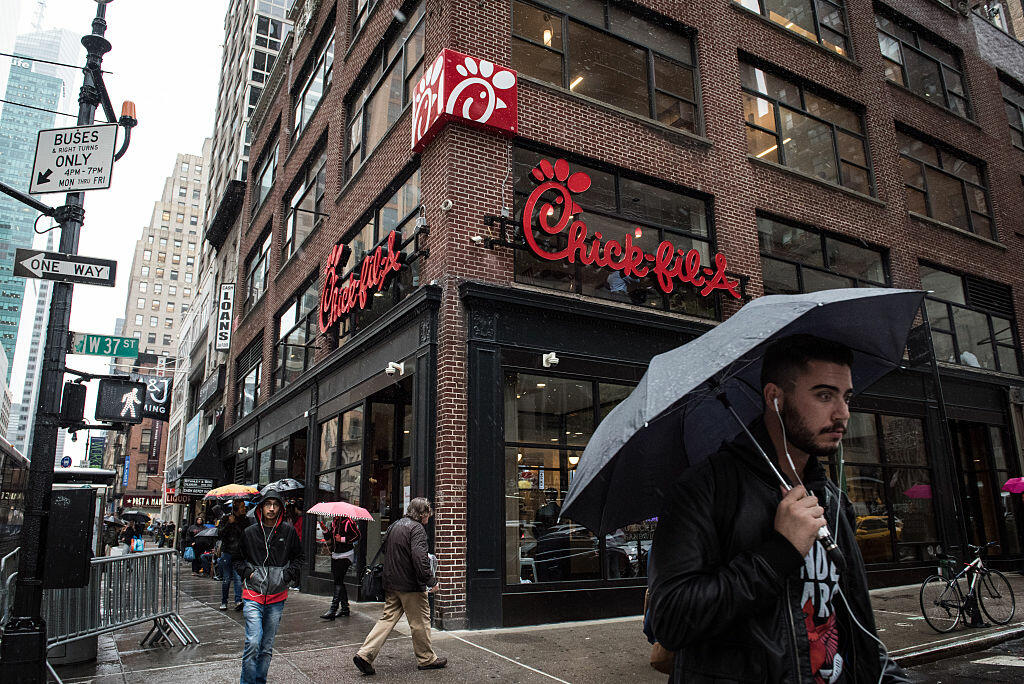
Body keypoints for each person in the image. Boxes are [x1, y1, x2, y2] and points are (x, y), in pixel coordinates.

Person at [648, 334, 907, 683]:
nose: (843, 413)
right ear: (775, 397)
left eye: (846, 397)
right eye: (824, 395)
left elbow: (853, 621)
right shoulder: (706, 489)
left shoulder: (830, 498)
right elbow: (671, 619)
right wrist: (779, 553)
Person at [353, 498, 446, 675]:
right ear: (423, 513)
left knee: (387, 619)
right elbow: (420, 558)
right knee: (420, 622)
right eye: (428, 514)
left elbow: (389, 552)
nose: (429, 518)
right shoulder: (417, 529)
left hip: (391, 582)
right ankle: (426, 659)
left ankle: (365, 654)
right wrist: (431, 581)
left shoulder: (395, 525)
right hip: (410, 585)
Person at [233, 488, 303, 684]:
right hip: (253, 594)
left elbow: (299, 557)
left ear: (280, 508)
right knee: (253, 642)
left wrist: (287, 575)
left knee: (266, 646)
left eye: (275, 505)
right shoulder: (250, 532)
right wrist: (249, 573)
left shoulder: (288, 531)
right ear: (261, 508)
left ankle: (259, 681)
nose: (271, 509)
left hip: (276, 597)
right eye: (267, 505)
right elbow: (237, 559)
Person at [319, 509, 361, 620]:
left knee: (338, 580)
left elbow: (357, 536)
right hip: (335, 554)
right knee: (339, 580)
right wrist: (325, 530)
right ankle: (345, 609)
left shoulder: (348, 522)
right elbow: (330, 538)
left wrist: (342, 539)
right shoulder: (334, 522)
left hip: (346, 555)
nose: (335, 515)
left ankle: (333, 609)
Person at [218, 500, 251, 611]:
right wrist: (229, 523)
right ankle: (224, 601)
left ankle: (238, 600)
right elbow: (220, 534)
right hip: (227, 552)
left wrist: (235, 523)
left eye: (244, 507)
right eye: (241, 507)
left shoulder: (245, 520)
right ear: (235, 508)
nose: (244, 509)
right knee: (226, 578)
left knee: (238, 578)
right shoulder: (226, 518)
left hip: (239, 553)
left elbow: (245, 534)